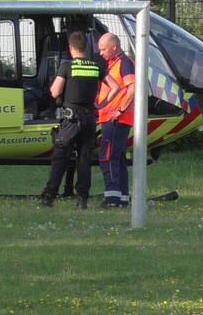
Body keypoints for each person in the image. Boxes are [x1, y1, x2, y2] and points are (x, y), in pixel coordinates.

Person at [39, 31, 106, 210]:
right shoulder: (95, 67)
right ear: (86, 47)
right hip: (90, 119)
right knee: (84, 161)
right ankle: (82, 200)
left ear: (70, 48)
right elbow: (114, 86)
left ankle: (49, 197)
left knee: (60, 159)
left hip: (71, 120)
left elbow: (55, 92)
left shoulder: (67, 66)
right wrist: (101, 104)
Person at [95, 32, 136, 207]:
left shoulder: (124, 63)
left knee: (108, 157)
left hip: (117, 118)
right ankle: (122, 198)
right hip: (113, 118)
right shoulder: (113, 63)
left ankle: (112, 198)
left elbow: (133, 88)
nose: (101, 53)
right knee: (117, 159)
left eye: (103, 49)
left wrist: (120, 109)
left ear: (114, 47)